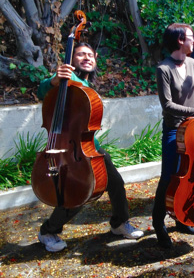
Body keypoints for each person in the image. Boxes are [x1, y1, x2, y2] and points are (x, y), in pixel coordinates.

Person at [36, 43, 144, 252]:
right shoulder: (68, 80)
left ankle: (119, 224)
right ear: (72, 59)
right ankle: (48, 231)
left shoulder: (86, 84)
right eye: (80, 55)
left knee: (115, 183)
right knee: (77, 194)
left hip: (89, 147)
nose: (86, 58)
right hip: (68, 149)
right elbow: (43, 90)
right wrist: (55, 80)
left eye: (90, 55)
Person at [153, 23, 194, 248]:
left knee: (190, 175)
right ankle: (158, 223)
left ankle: (181, 219)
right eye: (191, 37)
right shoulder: (164, 69)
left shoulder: (192, 63)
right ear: (180, 40)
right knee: (169, 176)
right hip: (174, 130)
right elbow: (168, 105)